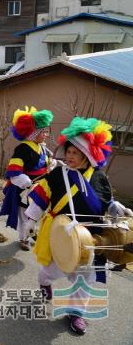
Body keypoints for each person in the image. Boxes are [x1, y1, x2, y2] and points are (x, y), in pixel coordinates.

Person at [25, 116, 131, 335]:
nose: (70, 157)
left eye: (75, 153)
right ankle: (44, 283)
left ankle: (76, 313)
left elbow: (105, 201)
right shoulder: (57, 174)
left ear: (87, 155)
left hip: (91, 238)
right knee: (52, 270)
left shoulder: (99, 177)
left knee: (85, 278)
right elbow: (41, 196)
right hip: (61, 233)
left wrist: (115, 208)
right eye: (69, 152)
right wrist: (31, 219)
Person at [0, 106, 54, 251]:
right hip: (26, 189)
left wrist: (52, 164)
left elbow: (46, 163)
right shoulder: (22, 149)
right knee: (25, 214)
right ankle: (23, 238)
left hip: (40, 187)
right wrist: (26, 182)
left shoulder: (41, 147)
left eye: (47, 131)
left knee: (36, 213)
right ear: (34, 132)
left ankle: (32, 232)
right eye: (44, 132)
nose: (46, 135)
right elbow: (14, 172)